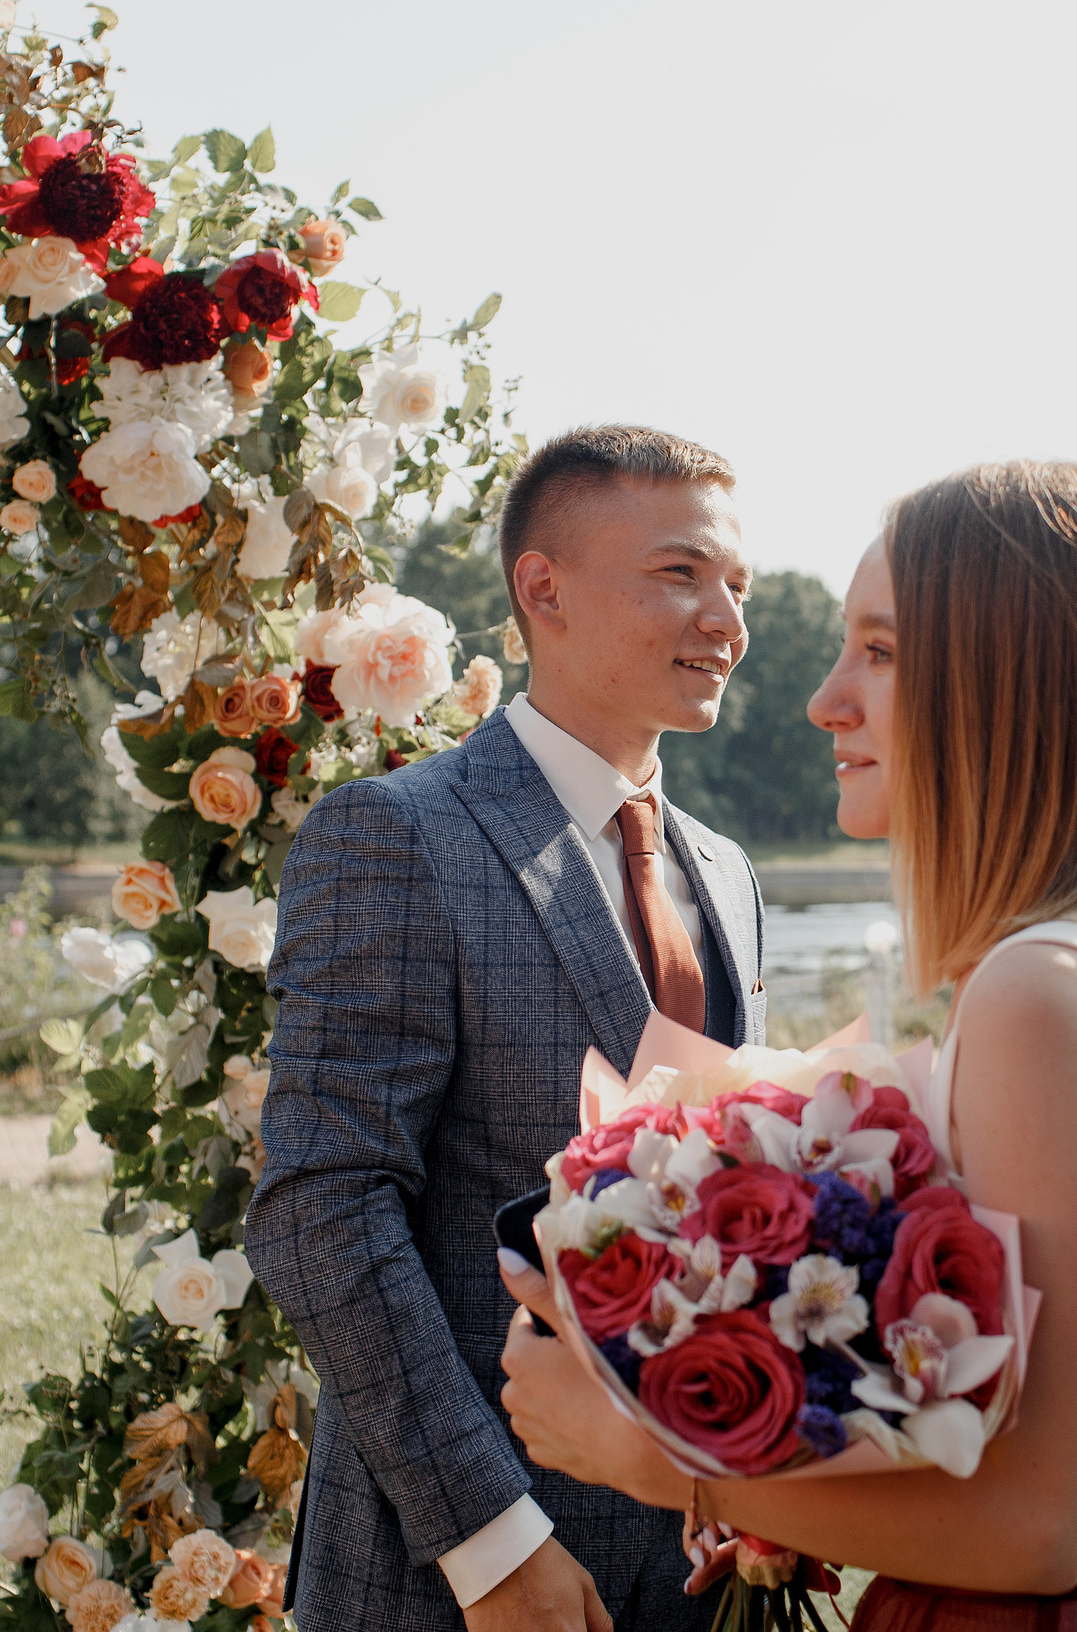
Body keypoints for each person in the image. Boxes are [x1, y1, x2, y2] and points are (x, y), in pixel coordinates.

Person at [498, 460, 1077, 1629]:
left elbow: (1036, 1532)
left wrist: (653, 1457)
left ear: (1010, 685)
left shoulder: (1050, 992)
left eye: (878, 652)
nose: (827, 699)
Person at [244, 423, 770, 1632]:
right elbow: (321, 1209)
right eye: (681, 574)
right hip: (462, 1578)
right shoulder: (396, 836)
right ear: (544, 588)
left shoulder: (730, 874)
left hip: (701, 1571)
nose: (725, 621)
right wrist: (491, 1546)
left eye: (735, 585)